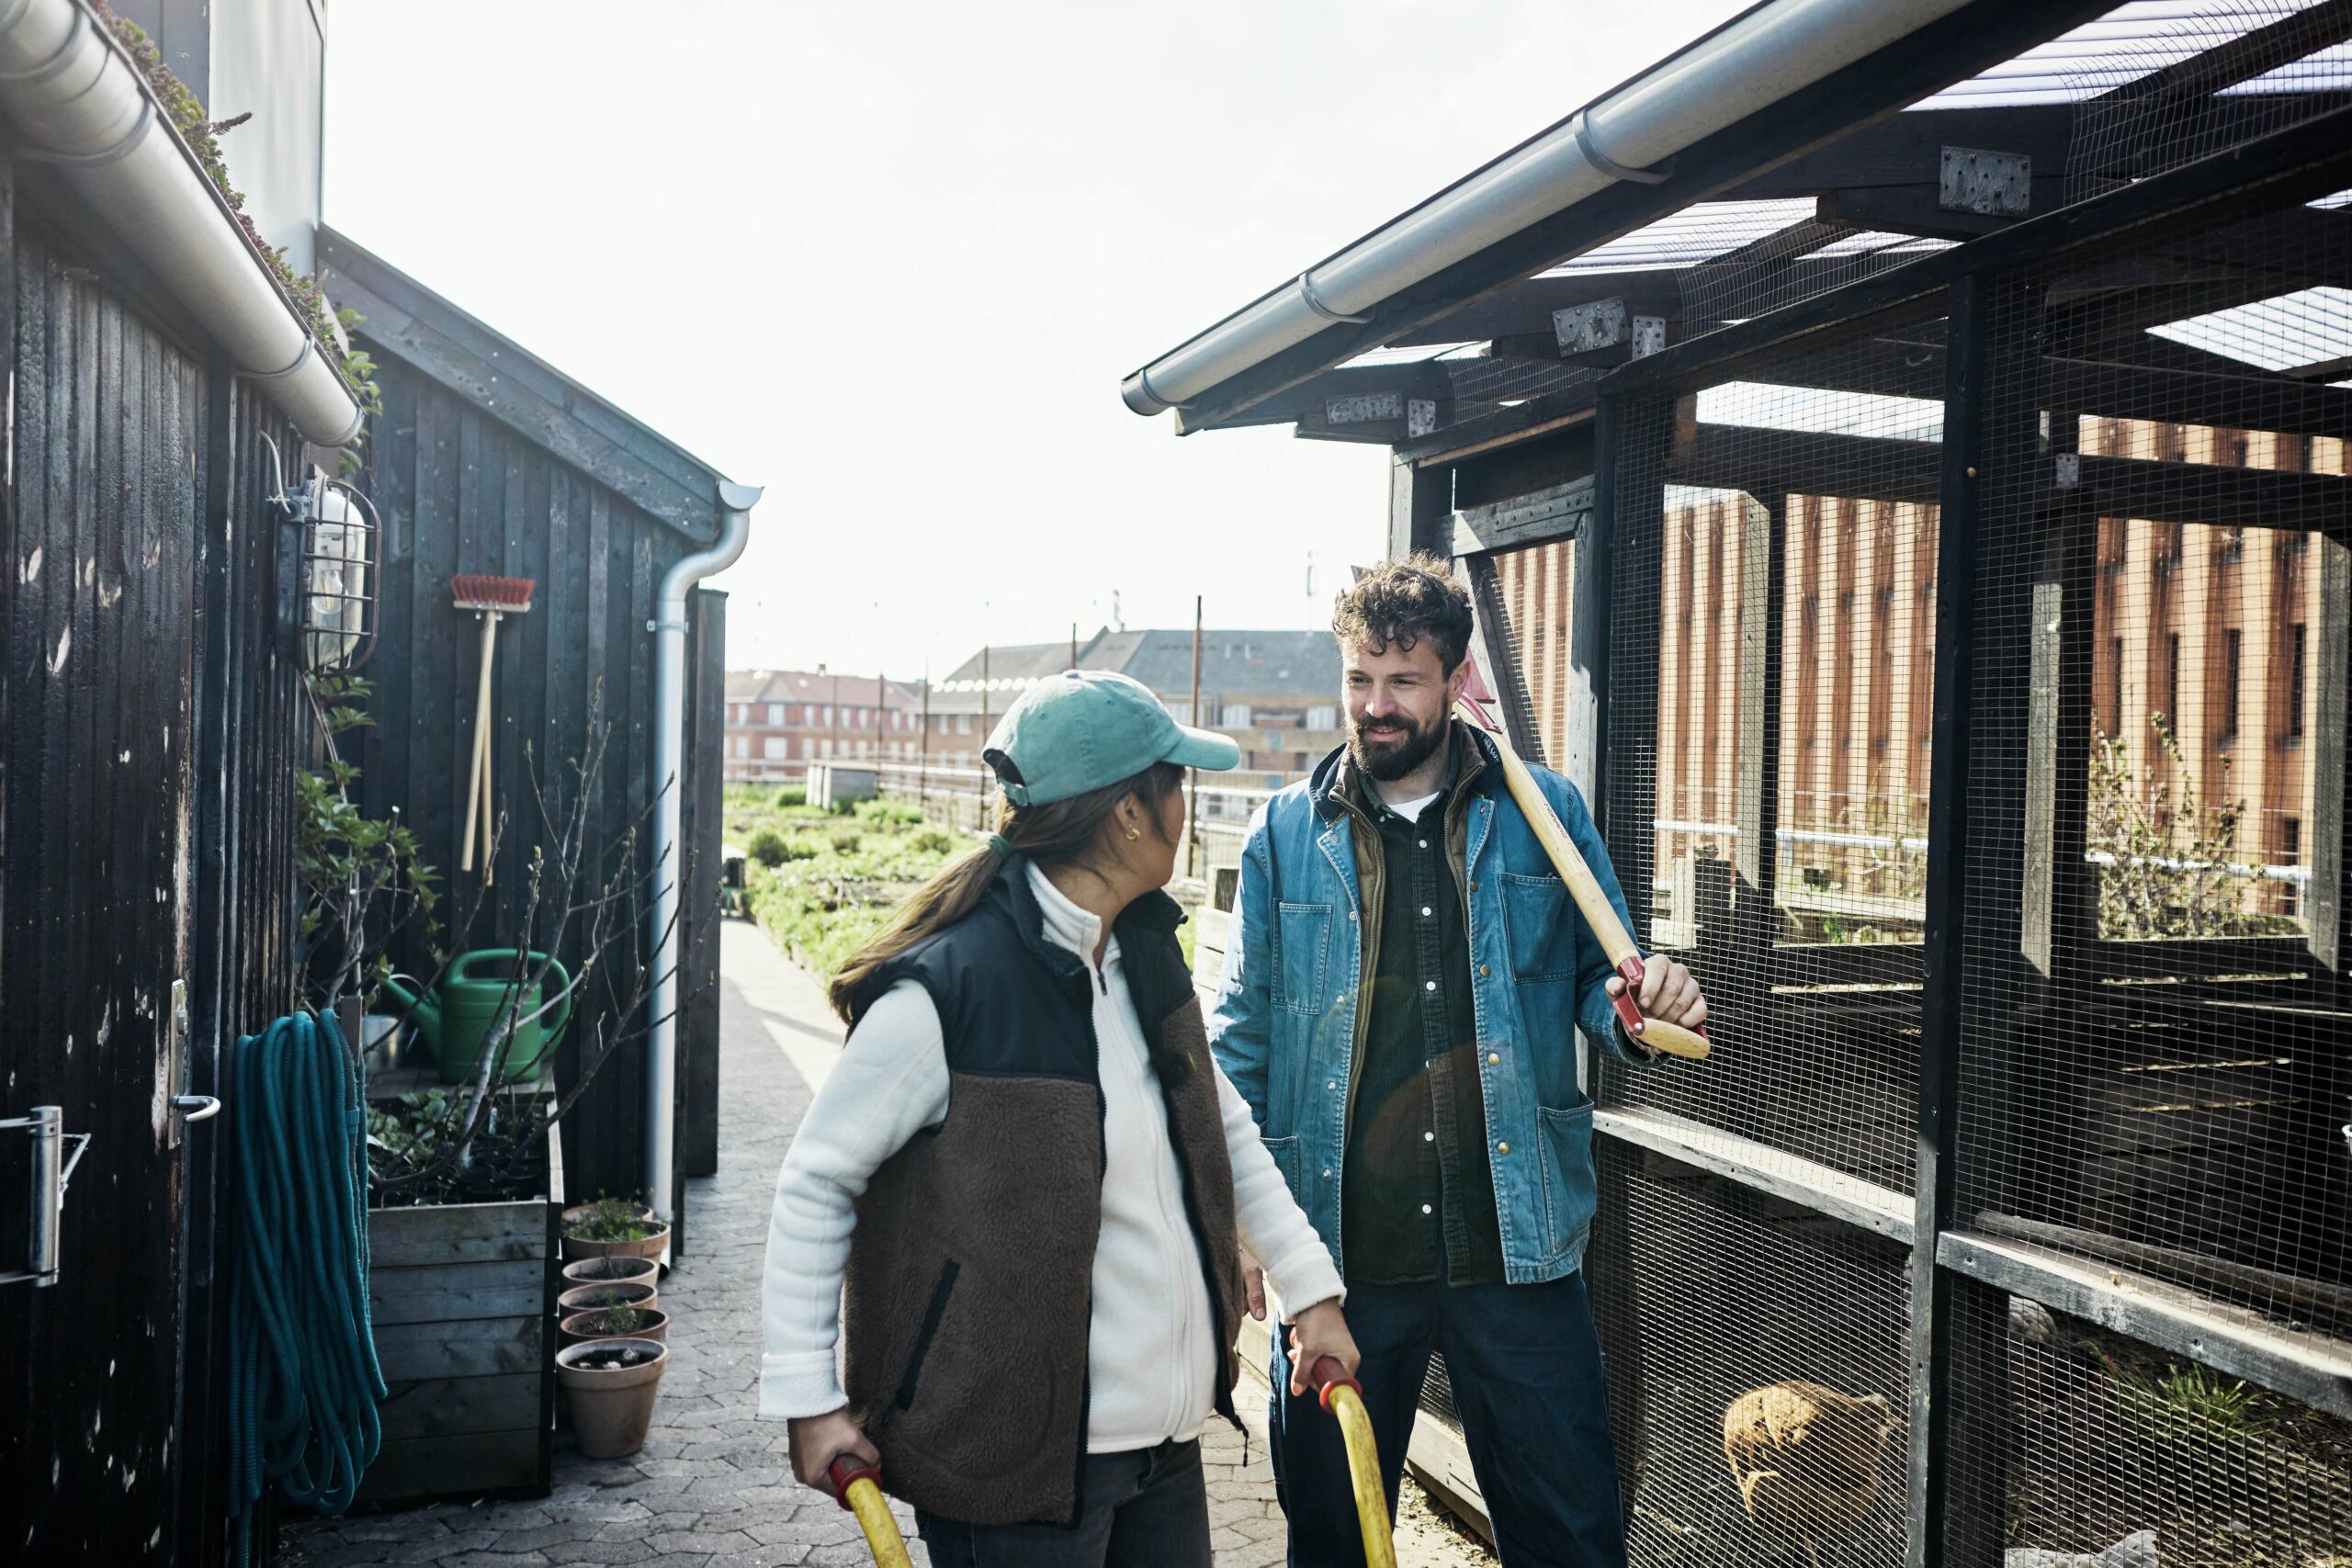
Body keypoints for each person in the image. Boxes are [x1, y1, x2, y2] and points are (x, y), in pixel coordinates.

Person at [759, 669, 1360, 1568]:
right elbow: (816, 1186)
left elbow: (1224, 1131)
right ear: (1128, 813)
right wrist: (810, 1399)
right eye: (1176, 785)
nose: (1186, 807)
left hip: (1161, 1449)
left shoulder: (1145, 959)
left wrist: (1310, 1295)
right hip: (1012, 1469)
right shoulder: (950, 993)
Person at [1209, 555, 1710, 1568]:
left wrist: (1641, 1006)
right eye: (1358, 678)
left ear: (1452, 680)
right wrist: (1241, 1226)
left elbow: (1595, 982)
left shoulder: (1544, 815)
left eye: (1401, 681)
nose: (1375, 705)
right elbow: (1241, 1042)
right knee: (1335, 1543)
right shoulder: (1282, 837)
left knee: (1570, 1538)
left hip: (1514, 1252)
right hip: (1340, 1261)